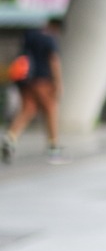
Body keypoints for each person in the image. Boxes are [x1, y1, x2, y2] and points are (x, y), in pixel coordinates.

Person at [3, 17, 65, 163]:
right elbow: (53, 60)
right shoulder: (50, 39)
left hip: (26, 79)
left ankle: (10, 138)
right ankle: (54, 147)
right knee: (51, 109)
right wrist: (58, 82)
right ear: (55, 27)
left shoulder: (30, 35)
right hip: (43, 80)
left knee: (28, 110)